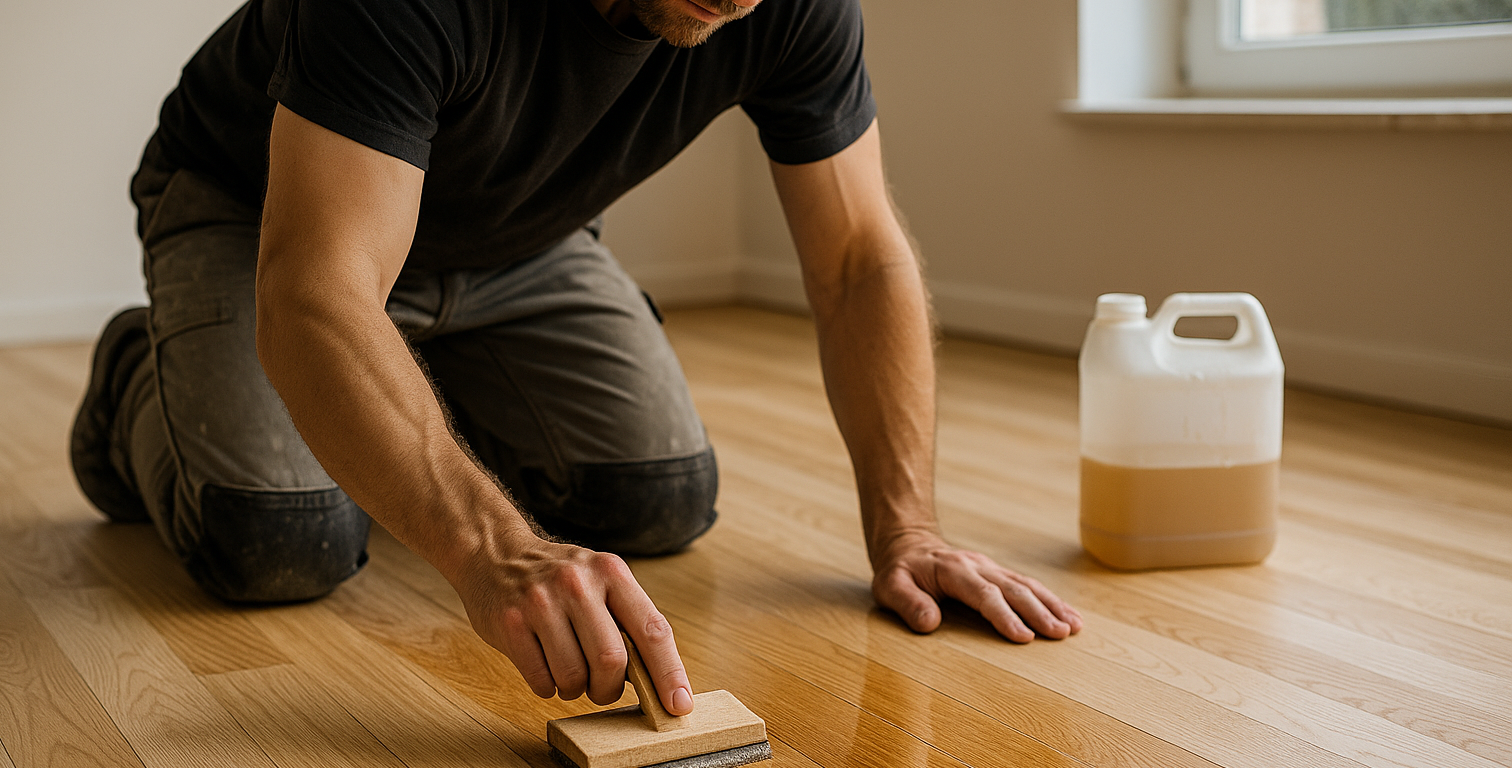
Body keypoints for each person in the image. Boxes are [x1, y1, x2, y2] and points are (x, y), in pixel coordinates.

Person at [70, 0, 1083, 719]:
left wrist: (907, 529)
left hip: (519, 235)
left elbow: (861, 259)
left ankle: (414, 375)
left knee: (656, 496)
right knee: (277, 538)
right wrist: (492, 552)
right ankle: (136, 381)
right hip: (267, 221)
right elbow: (313, 296)